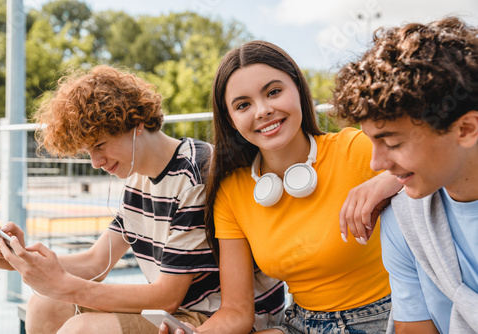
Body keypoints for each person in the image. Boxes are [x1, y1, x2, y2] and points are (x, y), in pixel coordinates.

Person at [0, 65, 283, 333]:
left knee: (83, 329)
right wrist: (21, 261)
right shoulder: (137, 174)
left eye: (100, 145)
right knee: (43, 304)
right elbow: (97, 261)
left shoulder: (195, 174)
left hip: (220, 317)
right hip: (180, 309)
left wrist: (65, 285)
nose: (96, 162)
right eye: (88, 152)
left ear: (137, 123)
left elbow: (167, 295)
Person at [160, 40, 402, 334]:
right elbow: (236, 313)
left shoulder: (357, 149)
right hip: (299, 324)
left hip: (385, 318)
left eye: (274, 92)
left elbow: (449, 157)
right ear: (231, 121)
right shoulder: (231, 191)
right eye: (243, 105)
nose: (262, 111)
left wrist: (386, 180)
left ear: (299, 90)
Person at [332, 17, 478, 334]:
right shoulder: (403, 220)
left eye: (394, 143)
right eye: (372, 141)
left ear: (465, 129)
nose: (375, 165)